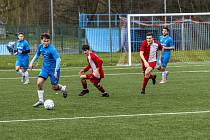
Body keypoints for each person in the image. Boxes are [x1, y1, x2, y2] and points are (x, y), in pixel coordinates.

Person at [29, 33, 68, 107]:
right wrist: (31, 63)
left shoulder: (52, 49)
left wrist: (56, 71)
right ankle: (41, 101)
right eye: (44, 41)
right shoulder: (40, 46)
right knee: (39, 83)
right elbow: (37, 55)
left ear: (49, 41)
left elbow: (58, 59)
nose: (45, 42)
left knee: (54, 87)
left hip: (53, 70)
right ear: (41, 41)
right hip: (45, 69)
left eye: (47, 41)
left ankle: (63, 88)